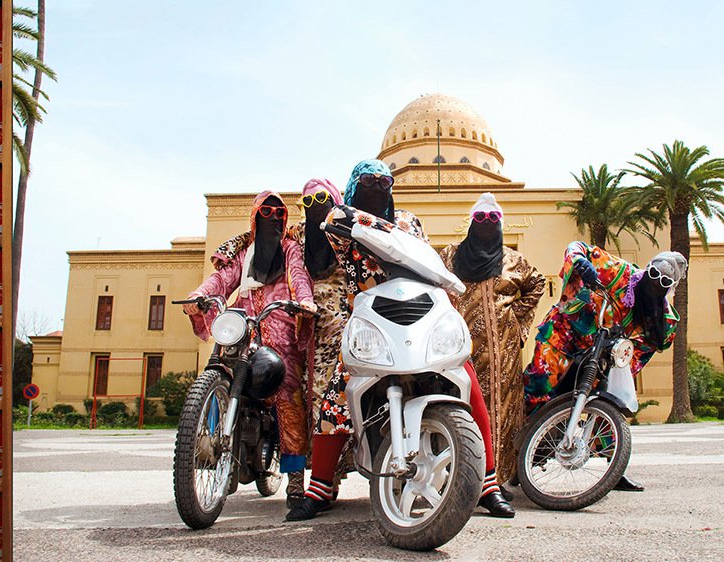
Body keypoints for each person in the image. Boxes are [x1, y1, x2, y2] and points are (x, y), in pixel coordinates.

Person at [287, 160, 514, 521]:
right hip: (372, 319)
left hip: (419, 316)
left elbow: (427, 263)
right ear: (354, 185)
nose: (378, 187)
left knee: (466, 381)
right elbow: (336, 224)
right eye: (369, 180)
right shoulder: (341, 221)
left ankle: (487, 485)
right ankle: (320, 489)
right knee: (336, 399)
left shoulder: (410, 221)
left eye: (385, 181)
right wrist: (391, 236)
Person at [183, 191, 316, 500]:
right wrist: (199, 295)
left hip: (281, 334)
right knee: (218, 372)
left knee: (288, 396)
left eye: (279, 214)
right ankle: (209, 444)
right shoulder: (244, 254)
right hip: (243, 331)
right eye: (266, 212)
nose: (273, 218)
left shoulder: (290, 250)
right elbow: (221, 279)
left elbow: (299, 277)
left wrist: (305, 301)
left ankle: (295, 481)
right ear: (255, 217)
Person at [523, 242, 686, 492]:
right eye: (654, 274)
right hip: (564, 335)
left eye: (664, 281)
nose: (656, 282)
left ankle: (614, 468)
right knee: (538, 384)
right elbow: (577, 247)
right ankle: (522, 452)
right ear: (647, 269)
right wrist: (581, 263)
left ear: (670, 288)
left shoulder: (660, 314)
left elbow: (659, 340)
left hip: (602, 353)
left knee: (609, 401)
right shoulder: (620, 272)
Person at [439, 193, 545, 489]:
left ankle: (496, 481)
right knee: (463, 409)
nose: (487, 223)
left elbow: (537, 283)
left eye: (493, 218)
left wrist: (517, 320)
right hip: (461, 348)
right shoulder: (450, 256)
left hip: (504, 352)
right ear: (471, 222)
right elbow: (434, 284)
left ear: (501, 223)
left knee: (503, 411)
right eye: (480, 217)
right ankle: (463, 480)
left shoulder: (513, 259)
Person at [284, 178, 349, 507]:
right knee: (298, 402)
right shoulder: (297, 235)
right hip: (302, 329)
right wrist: (228, 252)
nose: (315, 206)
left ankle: (328, 480)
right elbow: (259, 239)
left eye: (322, 198)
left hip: (341, 329)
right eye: (307, 202)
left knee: (329, 403)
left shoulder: (346, 231)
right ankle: (300, 480)